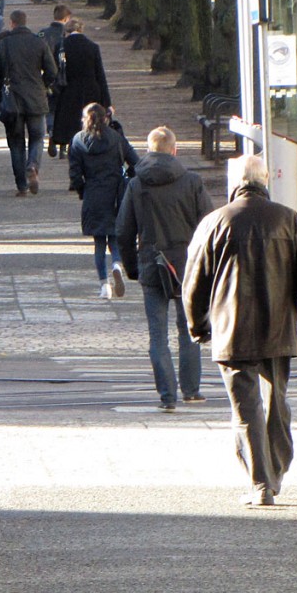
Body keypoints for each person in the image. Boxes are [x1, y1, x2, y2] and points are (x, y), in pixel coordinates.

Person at [183, 154, 297, 506]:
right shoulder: (290, 221)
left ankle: (260, 484)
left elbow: (193, 283)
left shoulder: (214, 222)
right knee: (276, 403)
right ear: (265, 180)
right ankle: (276, 471)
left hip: (231, 330)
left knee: (246, 408)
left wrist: (198, 326)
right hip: (279, 328)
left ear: (235, 182)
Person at [117, 126, 213, 411]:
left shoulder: (137, 184)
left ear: (148, 150)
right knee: (189, 329)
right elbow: (208, 225)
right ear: (174, 150)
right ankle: (192, 390)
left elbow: (123, 230)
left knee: (157, 334)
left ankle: (167, 396)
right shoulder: (192, 182)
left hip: (152, 261)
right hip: (188, 265)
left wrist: (133, 268)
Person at [67, 103, 139, 299]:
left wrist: (83, 190)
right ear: (106, 117)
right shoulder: (116, 138)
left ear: (85, 119)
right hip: (116, 193)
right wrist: (129, 179)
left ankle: (104, 286)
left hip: (93, 193)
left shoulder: (78, 141)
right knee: (114, 236)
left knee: (99, 241)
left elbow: (75, 174)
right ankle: (116, 263)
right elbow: (135, 161)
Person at [0, 9, 57, 197]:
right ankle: (33, 165)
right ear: (25, 23)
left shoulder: (3, 45)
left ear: (12, 23)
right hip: (36, 97)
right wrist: (43, 85)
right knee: (37, 137)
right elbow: (52, 71)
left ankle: (21, 185)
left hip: (13, 101)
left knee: (16, 142)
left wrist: (3, 87)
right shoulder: (39, 43)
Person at [50, 19, 111, 161]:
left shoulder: (61, 46)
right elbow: (100, 75)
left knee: (68, 118)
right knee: (88, 118)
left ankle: (65, 145)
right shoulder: (93, 47)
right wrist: (107, 102)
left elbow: (55, 70)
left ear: (66, 31)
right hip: (91, 88)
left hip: (68, 87)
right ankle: (87, 144)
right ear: (81, 29)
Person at [37, 4, 72, 156]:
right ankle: (64, 144)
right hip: (64, 79)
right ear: (66, 18)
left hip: (47, 79)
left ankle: (51, 132)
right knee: (64, 110)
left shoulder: (42, 34)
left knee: (50, 110)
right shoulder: (68, 36)